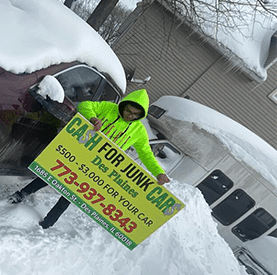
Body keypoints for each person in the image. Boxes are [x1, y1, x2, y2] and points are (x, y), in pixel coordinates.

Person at [9, 88, 172, 229]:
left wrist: (158, 172)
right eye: (128, 110)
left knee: (71, 194)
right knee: (52, 176)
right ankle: (21, 194)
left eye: (136, 114)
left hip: (97, 166)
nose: (130, 115)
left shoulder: (139, 131)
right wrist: (93, 118)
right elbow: (85, 105)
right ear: (124, 104)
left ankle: (48, 223)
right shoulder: (109, 108)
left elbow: (146, 154)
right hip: (79, 153)